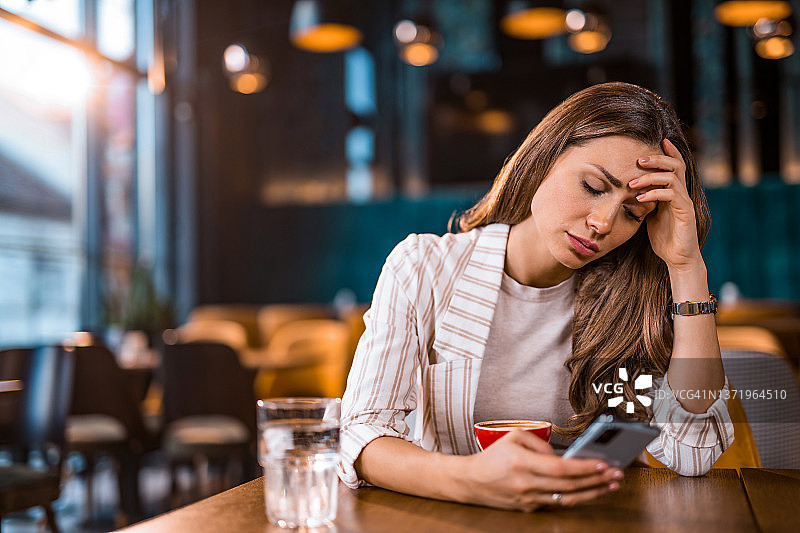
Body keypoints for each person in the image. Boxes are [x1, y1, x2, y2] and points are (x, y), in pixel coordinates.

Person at [338, 82, 734, 511]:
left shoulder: (633, 299)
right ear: (545, 157)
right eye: (593, 186)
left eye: (632, 212)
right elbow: (362, 435)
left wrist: (687, 266)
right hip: (455, 518)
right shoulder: (425, 268)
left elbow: (692, 450)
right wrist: (473, 480)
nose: (603, 223)